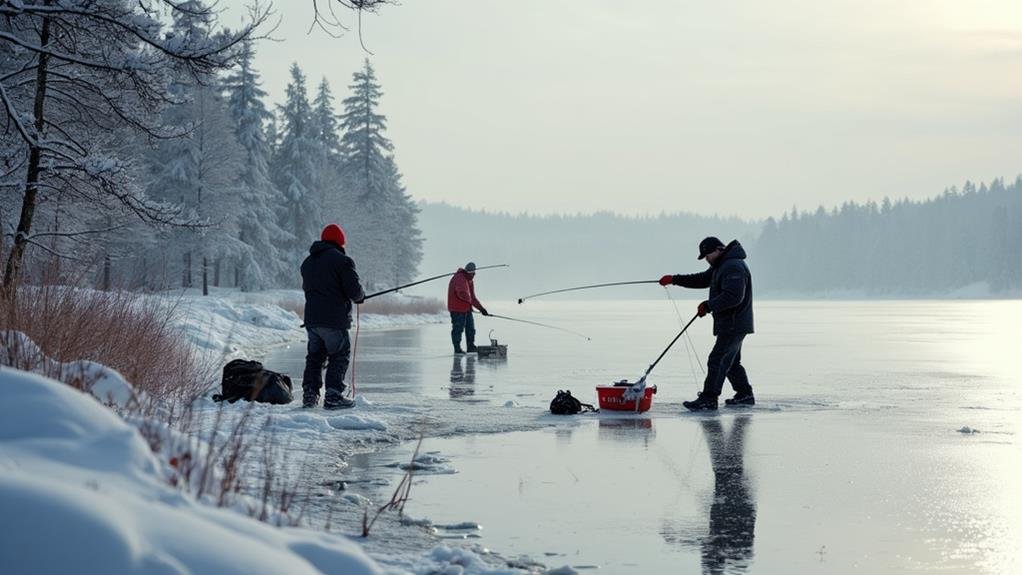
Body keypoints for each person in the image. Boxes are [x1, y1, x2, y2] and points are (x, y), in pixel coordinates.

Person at [660, 236, 754, 411]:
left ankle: (709, 398)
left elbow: (734, 297)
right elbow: (702, 280)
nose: (706, 259)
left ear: (719, 249)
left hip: (734, 323)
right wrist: (674, 279)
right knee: (731, 361)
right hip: (732, 323)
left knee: (717, 359)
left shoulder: (733, 266)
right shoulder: (721, 266)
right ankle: (744, 394)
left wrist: (708, 305)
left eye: (707, 255)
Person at [300, 223, 365, 409]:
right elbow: (354, 291)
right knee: (339, 354)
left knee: (314, 357)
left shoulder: (307, 262)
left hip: (312, 320)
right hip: (334, 320)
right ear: (340, 241)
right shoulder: (342, 261)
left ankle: (309, 395)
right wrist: (360, 297)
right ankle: (333, 395)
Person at [447, 262, 489, 354]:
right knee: (458, 329)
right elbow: (462, 293)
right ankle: (457, 348)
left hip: (467, 309)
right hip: (457, 309)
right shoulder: (459, 278)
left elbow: (473, 297)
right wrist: (470, 301)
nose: (474, 275)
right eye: (472, 273)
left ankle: (471, 346)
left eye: (474, 273)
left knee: (471, 329)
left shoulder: (469, 280)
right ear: (468, 272)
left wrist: (482, 309)